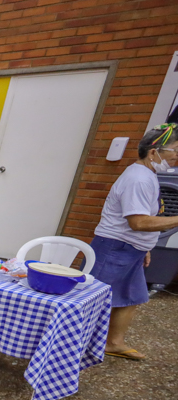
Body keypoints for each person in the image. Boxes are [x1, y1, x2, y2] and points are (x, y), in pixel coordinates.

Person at [87, 123, 178, 360]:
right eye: (175, 150)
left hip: (131, 249)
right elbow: (137, 222)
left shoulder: (148, 174)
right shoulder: (138, 179)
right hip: (115, 247)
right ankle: (73, 345)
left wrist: (145, 248)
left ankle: (114, 343)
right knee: (93, 300)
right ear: (153, 152)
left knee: (132, 297)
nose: (177, 156)